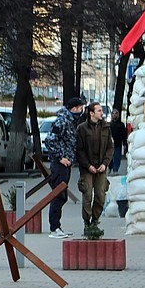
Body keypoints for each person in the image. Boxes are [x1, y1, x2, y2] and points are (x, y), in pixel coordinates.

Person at [45, 96, 87, 237]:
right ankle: (54, 228)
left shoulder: (70, 121)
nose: (81, 111)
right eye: (80, 108)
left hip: (66, 163)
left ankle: (58, 226)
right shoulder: (62, 121)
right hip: (60, 164)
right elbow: (50, 141)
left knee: (62, 196)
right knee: (58, 195)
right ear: (74, 108)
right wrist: (60, 157)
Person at [75, 102, 114, 230]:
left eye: (101, 110)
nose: (102, 113)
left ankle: (95, 221)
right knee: (87, 196)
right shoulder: (82, 128)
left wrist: (105, 164)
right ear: (91, 113)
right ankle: (87, 223)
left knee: (100, 196)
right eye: (99, 111)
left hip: (101, 168)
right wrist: (87, 165)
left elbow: (110, 147)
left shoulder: (106, 127)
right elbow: (79, 150)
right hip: (87, 168)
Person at [109, 107, 129, 175]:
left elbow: (124, 135)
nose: (114, 115)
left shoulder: (121, 125)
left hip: (118, 144)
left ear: (118, 115)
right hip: (109, 145)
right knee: (110, 158)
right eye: (113, 113)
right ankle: (109, 168)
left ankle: (115, 170)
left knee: (117, 157)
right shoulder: (109, 125)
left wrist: (125, 144)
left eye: (116, 113)